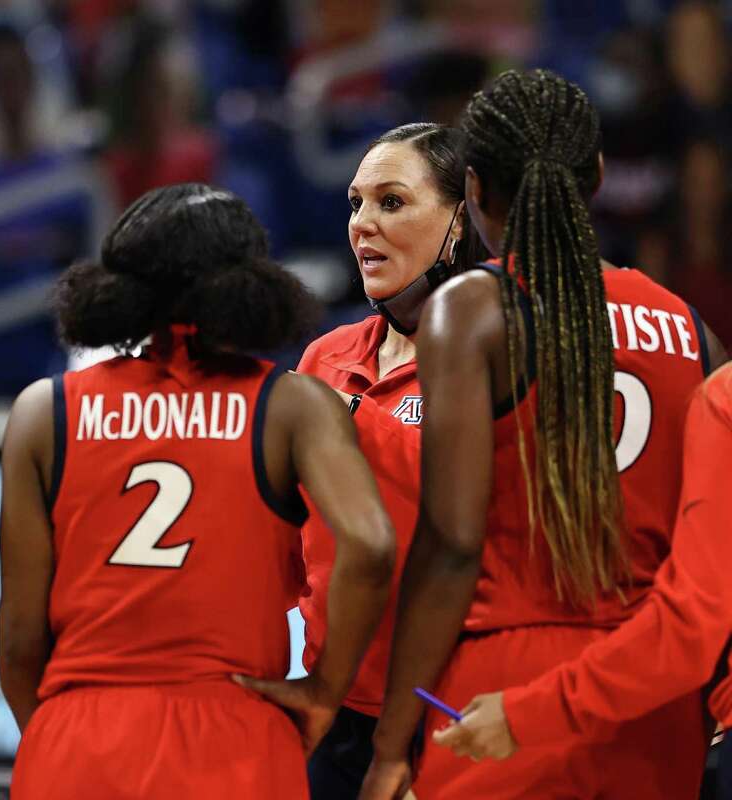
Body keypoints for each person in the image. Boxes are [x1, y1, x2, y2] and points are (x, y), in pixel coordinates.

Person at [360, 68, 726, 800]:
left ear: (472, 190)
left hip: (503, 690)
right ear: (596, 173)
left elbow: (452, 543)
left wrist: (392, 741)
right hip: (649, 696)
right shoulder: (689, 328)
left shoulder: (474, 306)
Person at [0, 183, 396, 799]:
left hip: (79, 738)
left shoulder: (41, 411)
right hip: (233, 735)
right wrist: (323, 693)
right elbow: (369, 547)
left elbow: (20, 639)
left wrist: (58, 733)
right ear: (250, 284)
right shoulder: (290, 405)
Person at [431, 364, 732, 794]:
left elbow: (690, 627)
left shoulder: (724, 398)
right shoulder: (700, 353)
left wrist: (525, 715)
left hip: (552, 675)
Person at [296, 122, 479, 797]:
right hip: (332, 716)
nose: (363, 225)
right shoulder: (325, 358)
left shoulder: (500, 359)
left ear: (460, 218)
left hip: (450, 717)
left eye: (392, 202)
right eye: (354, 203)